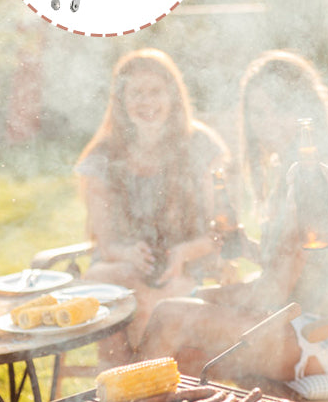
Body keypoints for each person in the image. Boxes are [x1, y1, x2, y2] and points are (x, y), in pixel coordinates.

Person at [138, 50, 328, 383]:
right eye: (258, 112)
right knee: (185, 353)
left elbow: (273, 291)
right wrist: (248, 250)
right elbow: (298, 266)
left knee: (169, 316)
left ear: (304, 110)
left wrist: (213, 300)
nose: (267, 123)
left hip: (320, 336)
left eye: (280, 109)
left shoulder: (310, 178)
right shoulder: (288, 168)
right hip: (298, 321)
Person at [76, 48, 229, 365]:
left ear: (173, 96)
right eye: (136, 93)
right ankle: (131, 392)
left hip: (186, 266)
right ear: (121, 101)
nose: (147, 103)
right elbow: (106, 245)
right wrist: (129, 253)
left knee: (148, 302)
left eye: (155, 92)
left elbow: (221, 233)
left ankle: (132, 394)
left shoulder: (201, 146)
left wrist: (183, 253)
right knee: (111, 288)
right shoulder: (103, 156)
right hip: (122, 267)